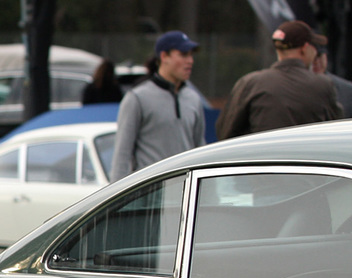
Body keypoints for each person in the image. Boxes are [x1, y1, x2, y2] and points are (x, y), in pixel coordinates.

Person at [217, 20, 342, 139]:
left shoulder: (250, 83)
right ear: (304, 48)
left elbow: (225, 131)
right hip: (306, 159)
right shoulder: (322, 85)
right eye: (315, 47)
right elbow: (336, 132)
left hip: (262, 159)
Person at [109, 30, 208, 180]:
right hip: (150, 196)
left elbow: (200, 149)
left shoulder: (193, 99)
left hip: (185, 195)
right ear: (164, 56)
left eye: (191, 55)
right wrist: (115, 197)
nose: (190, 61)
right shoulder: (137, 98)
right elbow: (122, 156)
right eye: (183, 54)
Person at [311, 46, 352, 118]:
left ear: (325, 56)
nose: (316, 62)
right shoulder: (293, 88)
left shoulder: (348, 90)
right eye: (312, 58)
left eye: (319, 56)